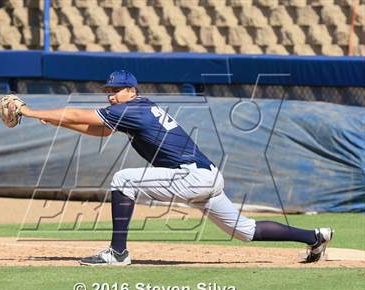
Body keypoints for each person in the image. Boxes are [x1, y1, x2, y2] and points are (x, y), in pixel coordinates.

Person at [20, 70, 334, 266]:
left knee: (123, 179)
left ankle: (117, 253)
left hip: (192, 176)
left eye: (115, 90)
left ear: (132, 91)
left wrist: (31, 112)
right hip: (206, 176)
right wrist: (54, 120)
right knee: (246, 230)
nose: (110, 95)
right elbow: (100, 130)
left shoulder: (132, 109)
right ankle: (315, 236)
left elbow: (83, 115)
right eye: (107, 91)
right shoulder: (136, 109)